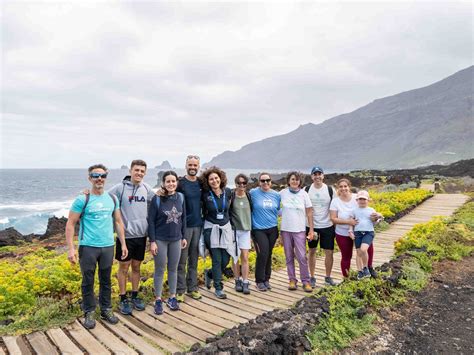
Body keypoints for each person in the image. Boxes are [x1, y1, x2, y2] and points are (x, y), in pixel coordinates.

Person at [66, 164, 128, 330]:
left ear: (106, 178)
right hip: (88, 247)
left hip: (108, 246)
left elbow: (118, 221)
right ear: (90, 178)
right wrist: (71, 248)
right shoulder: (82, 199)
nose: (99, 178)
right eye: (95, 176)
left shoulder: (112, 199)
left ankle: (106, 309)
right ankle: (89, 311)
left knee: (106, 280)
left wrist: (123, 243)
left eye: (102, 176)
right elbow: (70, 224)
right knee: (88, 280)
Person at [108, 159, 155, 315]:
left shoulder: (146, 189)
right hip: (125, 237)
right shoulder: (119, 189)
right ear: (130, 171)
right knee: (123, 267)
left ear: (145, 173)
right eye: (136, 170)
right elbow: (103, 197)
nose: (139, 173)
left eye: (142, 171)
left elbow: (159, 200)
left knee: (136, 267)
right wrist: (87, 193)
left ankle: (135, 295)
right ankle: (123, 298)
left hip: (141, 236)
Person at [148, 171, 187, 314]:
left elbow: (183, 219)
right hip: (160, 239)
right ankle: (158, 300)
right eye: (168, 181)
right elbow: (150, 221)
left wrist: (183, 237)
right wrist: (152, 241)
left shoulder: (181, 197)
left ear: (177, 182)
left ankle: (172, 297)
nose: (171, 184)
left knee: (173, 269)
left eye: (173, 181)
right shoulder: (157, 199)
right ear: (163, 183)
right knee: (159, 270)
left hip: (176, 239)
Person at [201, 166, 237, 299]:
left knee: (226, 258)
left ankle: (210, 274)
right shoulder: (205, 194)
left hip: (226, 228)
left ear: (221, 178)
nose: (214, 181)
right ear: (207, 181)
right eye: (211, 179)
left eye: (216, 178)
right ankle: (218, 288)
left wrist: (233, 227)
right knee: (217, 259)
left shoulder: (228, 192)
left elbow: (230, 210)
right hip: (211, 229)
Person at [329, 178, 377, 278]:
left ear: (349, 187)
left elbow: (367, 211)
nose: (343, 188)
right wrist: (349, 222)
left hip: (361, 231)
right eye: (341, 186)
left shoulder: (357, 197)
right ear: (338, 188)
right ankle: (346, 278)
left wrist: (375, 218)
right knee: (346, 256)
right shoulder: (335, 202)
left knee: (367, 250)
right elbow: (333, 219)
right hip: (342, 233)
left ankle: (368, 269)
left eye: (345, 186)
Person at [279, 171, 314, 292]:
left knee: (302, 257)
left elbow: (309, 212)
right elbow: (276, 208)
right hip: (285, 230)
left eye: (297, 180)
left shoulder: (304, 194)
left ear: (300, 182)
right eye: (293, 179)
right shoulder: (282, 193)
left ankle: (306, 281)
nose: (295, 181)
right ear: (289, 180)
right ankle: (292, 280)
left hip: (299, 230)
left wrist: (311, 230)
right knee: (289, 256)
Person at [175, 155, 203, 302]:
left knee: (194, 259)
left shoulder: (201, 183)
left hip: (198, 226)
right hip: (184, 227)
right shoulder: (180, 183)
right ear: (186, 166)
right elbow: (169, 194)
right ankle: (180, 290)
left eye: (195, 165)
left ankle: (192, 288)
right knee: (182, 260)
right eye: (190, 165)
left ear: (199, 166)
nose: (192, 167)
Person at [304, 166, 337, 287]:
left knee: (329, 252)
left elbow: (336, 206)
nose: (317, 176)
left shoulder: (330, 189)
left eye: (319, 174)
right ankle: (312, 277)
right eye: (315, 174)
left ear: (323, 176)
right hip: (311, 226)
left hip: (327, 225)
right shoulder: (306, 189)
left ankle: (328, 277)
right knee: (312, 251)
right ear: (311, 176)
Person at [250, 172, 281, 291]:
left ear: (271, 182)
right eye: (262, 181)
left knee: (269, 254)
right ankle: (259, 280)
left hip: (273, 229)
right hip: (258, 229)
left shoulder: (276, 195)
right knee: (262, 254)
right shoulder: (253, 193)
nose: (265, 182)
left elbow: (277, 210)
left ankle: (267, 279)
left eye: (267, 180)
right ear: (259, 182)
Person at [348, 190, 383, 279]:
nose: (362, 201)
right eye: (360, 199)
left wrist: (378, 218)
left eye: (364, 199)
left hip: (368, 232)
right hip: (358, 233)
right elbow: (351, 222)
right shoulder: (354, 211)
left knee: (363, 249)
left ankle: (365, 267)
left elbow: (375, 221)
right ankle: (360, 271)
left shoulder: (371, 210)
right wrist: (350, 231)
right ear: (357, 200)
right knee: (358, 252)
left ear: (368, 200)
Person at [230, 173, 252, 295]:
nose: (241, 185)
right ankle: (237, 280)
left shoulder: (249, 196)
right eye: (239, 183)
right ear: (236, 184)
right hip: (234, 230)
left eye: (244, 183)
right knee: (235, 257)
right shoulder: (231, 196)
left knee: (245, 257)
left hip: (246, 230)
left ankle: (245, 281)